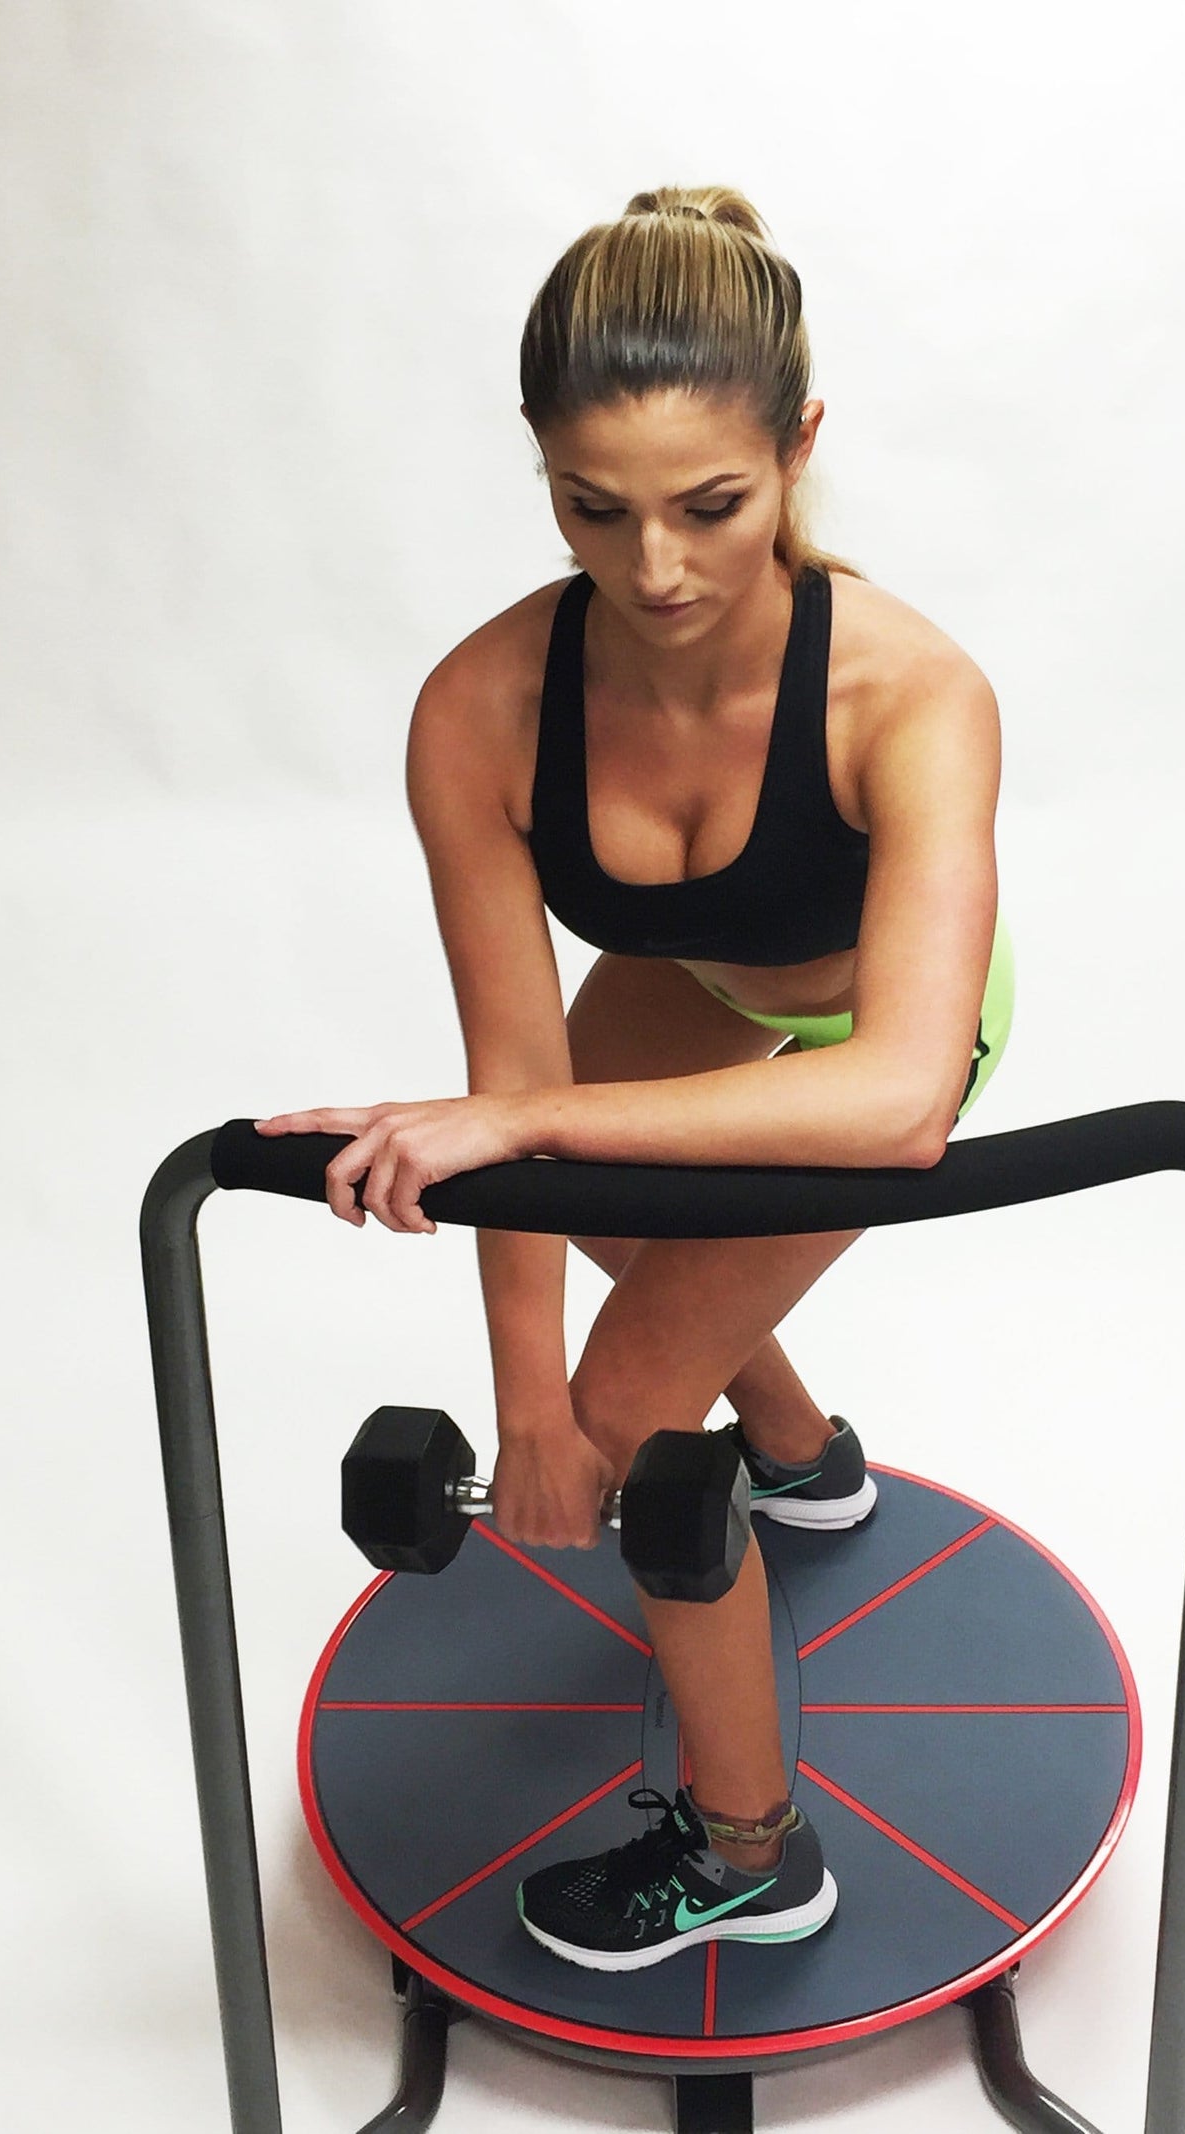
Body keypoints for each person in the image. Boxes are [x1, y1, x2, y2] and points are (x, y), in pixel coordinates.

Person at [255, 184, 1015, 1973]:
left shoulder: (911, 694)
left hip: (876, 1028)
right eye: (593, 507)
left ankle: (754, 1851)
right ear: (541, 466)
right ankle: (806, 1457)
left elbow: (898, 1097)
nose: (655, 567)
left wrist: (574, 1388)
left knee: (630, 1413)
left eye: (711, 506)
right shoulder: (481, 707)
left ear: (800, 444)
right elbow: (511, 1073)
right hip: (689, 975)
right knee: (589, 1337)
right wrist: (515, 1396)